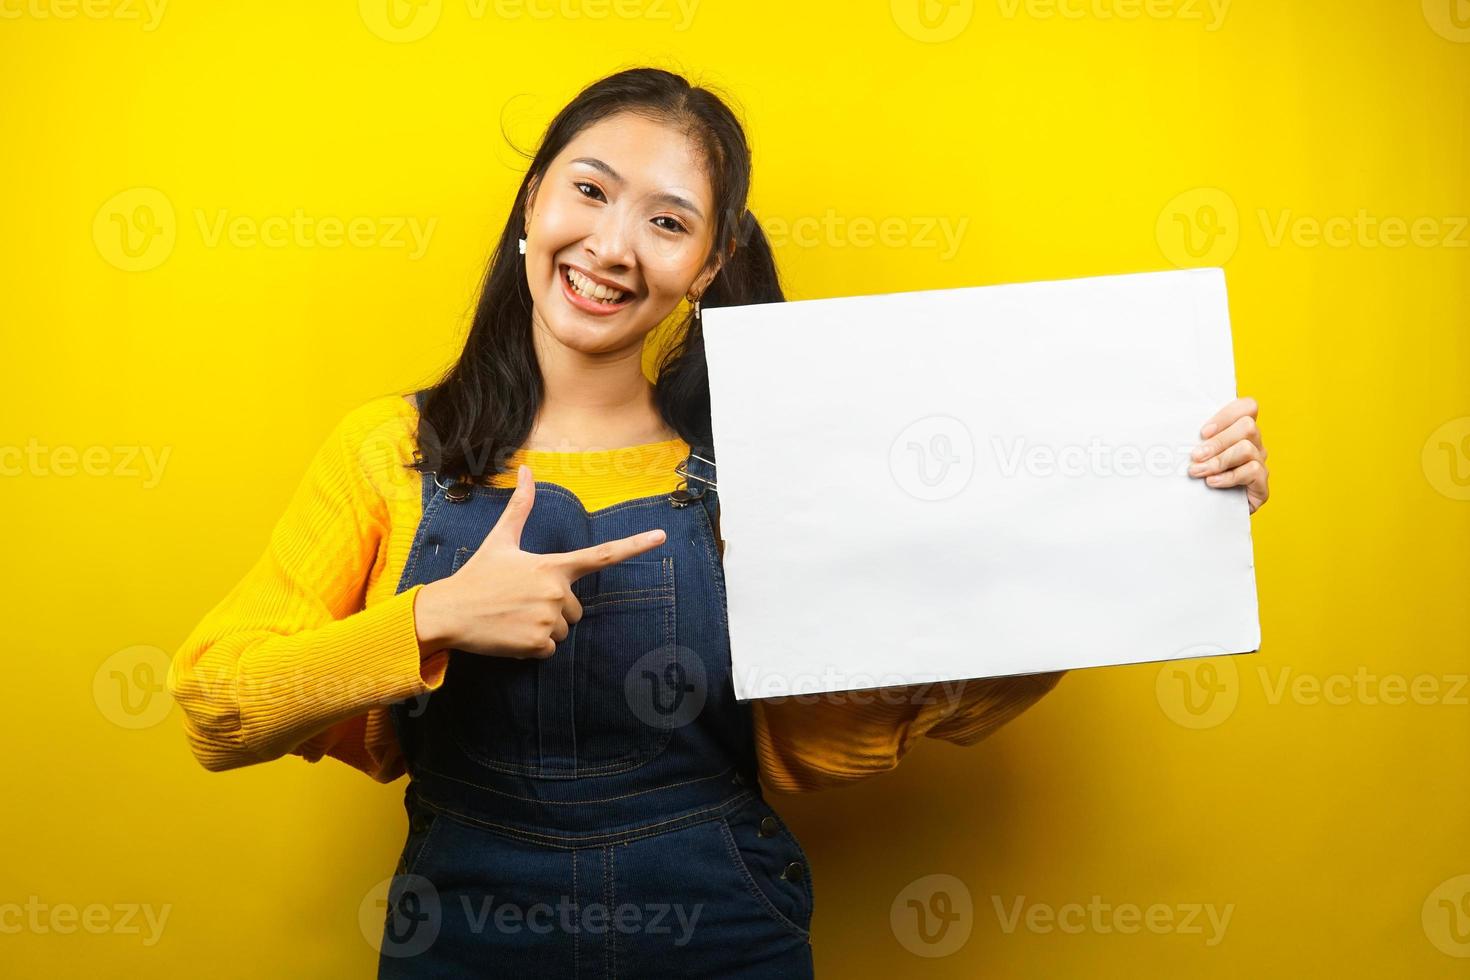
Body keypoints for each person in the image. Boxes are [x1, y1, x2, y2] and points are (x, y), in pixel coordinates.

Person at [167, 66, 1271, 977]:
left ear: (705, 266)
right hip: (464, 930)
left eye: (666, 221)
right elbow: (214, 703)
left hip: (718, 925)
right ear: (531, 204)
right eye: (589, 191)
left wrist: (1164, 506)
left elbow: (899, 704)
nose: (611, 244)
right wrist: (431, 618)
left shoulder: (766, 463)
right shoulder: (389, 450)